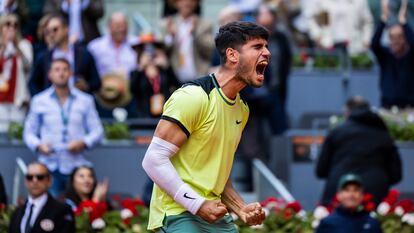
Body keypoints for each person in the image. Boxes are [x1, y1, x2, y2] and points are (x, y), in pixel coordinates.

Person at [142, 21, 270, 232]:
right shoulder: (192, 96)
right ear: (232, 55)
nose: (267, 53)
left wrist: (241, 208)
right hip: (178, 214)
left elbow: (218, 174)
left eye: (266, 46)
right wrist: (197, 204)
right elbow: (153, 160)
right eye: (258, 47)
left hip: (213, 214)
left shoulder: (242, 109)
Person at [24, 58, 104, 197]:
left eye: (65, 69)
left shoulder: (85, 100)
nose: (61, 73)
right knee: (50, 211)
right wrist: (39, 145)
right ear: (50, 74)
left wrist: (83, 142)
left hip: (76, 165)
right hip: (48, 164)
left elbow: (97, 131)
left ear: (70, 73)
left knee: (75, 211)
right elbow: (28, 133)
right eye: (57, 69)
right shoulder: (39, 100)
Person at [316, 96, 402, 205]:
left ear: (347, 112)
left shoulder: (336, 132)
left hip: (338, 198)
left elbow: (321, 170)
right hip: (375, 198)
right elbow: (396, 175)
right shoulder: (384, 135)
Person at [28, 14, 101, 96]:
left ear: (66, 29)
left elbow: (96, 82)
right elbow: (33, 83)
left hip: (79, 102)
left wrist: (87, 86)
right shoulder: (44, 56)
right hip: (51, 105)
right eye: (48, 31)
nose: (51, 34)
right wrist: (42, 101)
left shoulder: (83, 53)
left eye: (55, 29)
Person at [8, 162, 75, 233]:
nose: (34, 181)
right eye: (30, 177)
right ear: (25, 181)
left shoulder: (63, 211)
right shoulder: (17, 213)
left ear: (49, 181)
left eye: (40, 177)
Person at [371, 0, 414, 108]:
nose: (395, 41)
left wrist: (403, 22)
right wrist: (383, 20)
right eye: (392, 37)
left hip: (408, 106)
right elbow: (374, 44)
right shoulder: (385, 57)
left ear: (404, 39)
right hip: (387, 104)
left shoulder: (410, 57)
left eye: (399, 37)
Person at [160, 0, 214, 83]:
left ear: (196, 3)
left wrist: (195, 33)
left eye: (191, 0)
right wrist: (171, 36)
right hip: (174, 78)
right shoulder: (168, 23)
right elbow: (162, 50)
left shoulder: (204, 24)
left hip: (200, 76)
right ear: (175, 3)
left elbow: (210, 50)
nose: (187, 2)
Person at [130, 33, 179, 118]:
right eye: (145, 50)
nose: (150, 53)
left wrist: (167, 66)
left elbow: (177, 85)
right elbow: (132, 90)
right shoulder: (137, 72)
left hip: (165, 116)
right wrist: (140, 67)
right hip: (144, 118)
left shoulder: (163, 70)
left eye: (152, 48)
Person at [316, 174, 383, 233]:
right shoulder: (327, 224)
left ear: (362, 195)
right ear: (338, 195)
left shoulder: (373, 224)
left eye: (356, 190)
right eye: (346, 190)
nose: (351, 195)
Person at [0, 13, 32, 132]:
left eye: (15, 25)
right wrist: (4, 46)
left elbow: (28, 66)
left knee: (16, 134)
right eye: (8, 24)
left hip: (18, 100)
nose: (12, 28)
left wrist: (15, 47)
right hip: (0, 100)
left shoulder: (24, 45)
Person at [306, 0, 373, 55]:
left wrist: (366, 41)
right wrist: (317, 36)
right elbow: (311, 18)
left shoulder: (359, 1)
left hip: (354, 47)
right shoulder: (321, 1)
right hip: (328, 45)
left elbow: (368, 22)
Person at [87, 12, 137, 79]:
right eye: (117, 26)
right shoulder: (95, 47)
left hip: (132, 86)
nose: (121, 29)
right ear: (109, 27)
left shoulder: (137, 43)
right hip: (103, 87)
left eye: (124, 25)